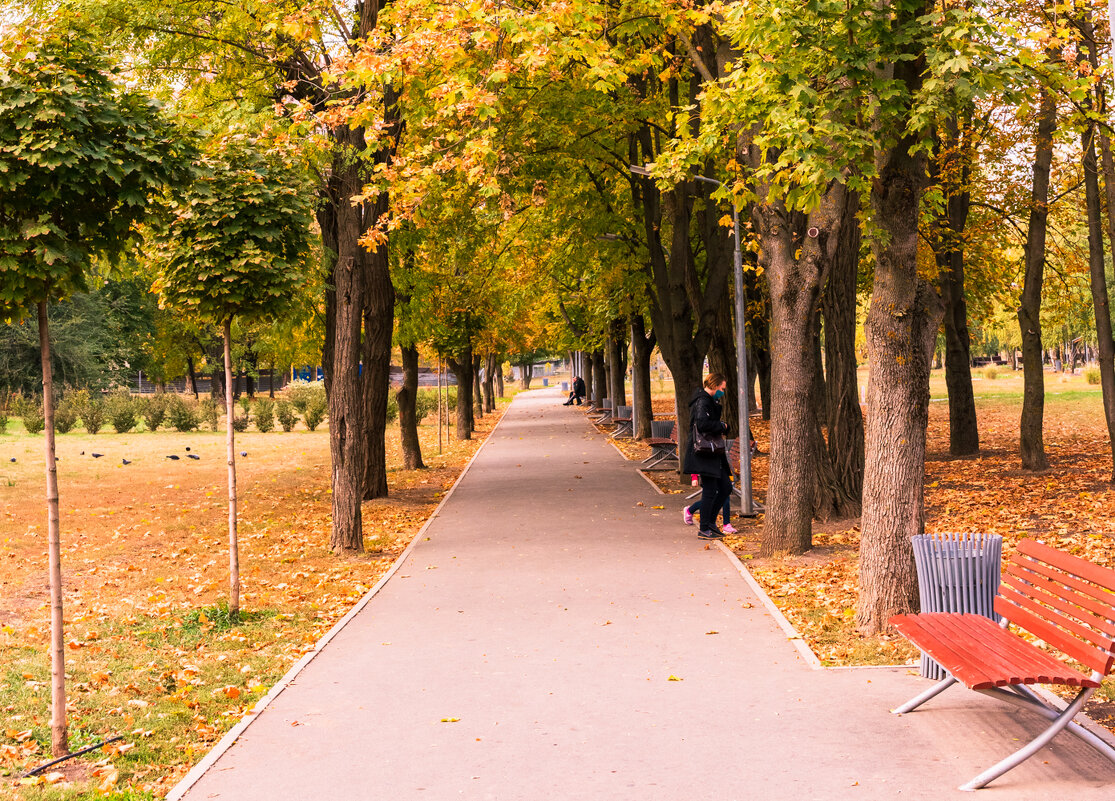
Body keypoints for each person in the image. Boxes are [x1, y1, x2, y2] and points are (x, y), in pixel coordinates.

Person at [682, 372, 733, 540]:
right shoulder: (702, 401)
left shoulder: (709, 401)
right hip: (705, 453)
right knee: (710, 490)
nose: (723, 392)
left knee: (725, 486)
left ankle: (710, 522)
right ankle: (704, 527)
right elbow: (703, 424)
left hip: (712, 452)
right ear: (714, 385)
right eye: (722, 388)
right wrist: (721, 425)